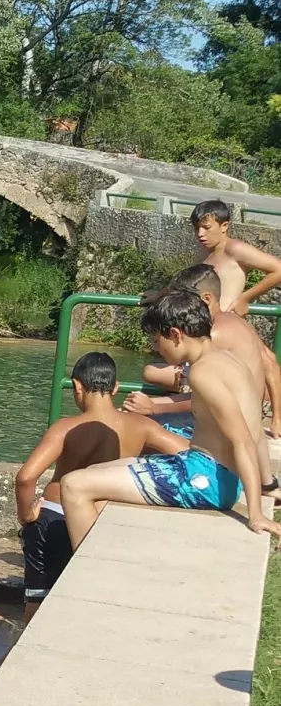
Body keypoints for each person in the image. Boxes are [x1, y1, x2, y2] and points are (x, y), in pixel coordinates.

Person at [61, 289, 281, 546]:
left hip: (204, 480)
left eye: (157, 341)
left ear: (176, 335)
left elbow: (243, 440)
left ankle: (91, 576)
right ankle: (106, 550)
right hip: (205, 470)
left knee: (73, 485)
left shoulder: (203, 372)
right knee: (95, 471)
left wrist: (255, 513)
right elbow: (253, 431)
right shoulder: (228, 360)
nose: (156, 349)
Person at [16, 351, 188, 620]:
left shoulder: (65, 427)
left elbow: (26, 478)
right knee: (91, 598)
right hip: (100, 520)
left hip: (55, 516)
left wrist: (26, 515)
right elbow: (188, 454)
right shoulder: (142, 426)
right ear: (116, 388)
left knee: (37, 605)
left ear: (77, 386)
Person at [129, 265, 281, 461]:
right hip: (248, 421)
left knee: (137, 429)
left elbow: (204, 402)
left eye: (183, 302)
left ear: (206, 299)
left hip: (227, 428)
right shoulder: (235, 321)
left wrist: (153, 406)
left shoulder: (212, 336)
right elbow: (270, 362)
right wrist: (276, 416)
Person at [189, 200, 281, 314]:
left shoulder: (235, 249)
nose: (200, 234)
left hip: (224, 323)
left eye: (206, 228)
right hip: (200, 323)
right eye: (196, 228)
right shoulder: (204, 251)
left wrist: (245, 298)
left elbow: (278, 269)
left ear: (224, 226)